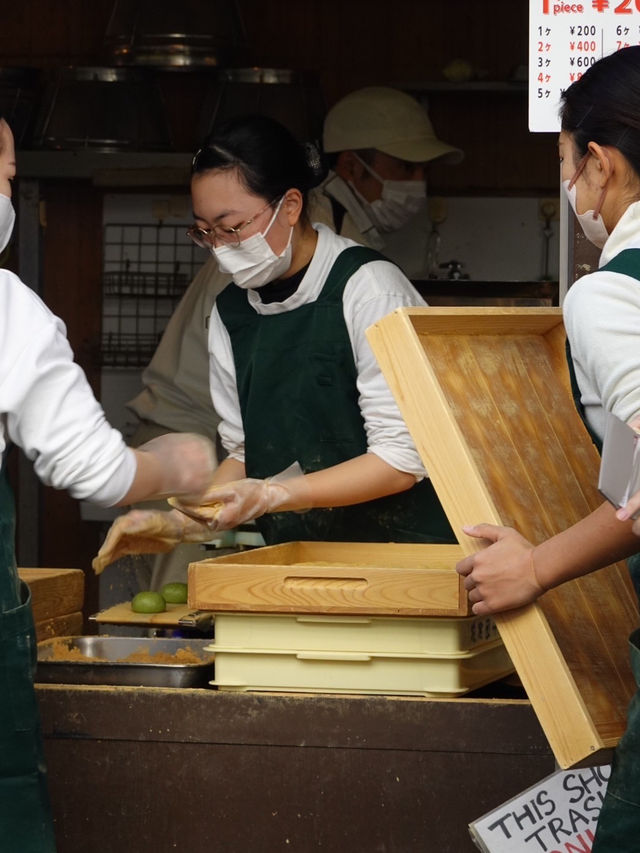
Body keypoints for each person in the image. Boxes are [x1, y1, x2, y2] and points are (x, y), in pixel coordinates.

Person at [92, 113, 456, 571]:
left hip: (405, 559)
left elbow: (402, 459)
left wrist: (274, 494)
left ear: (290, 205)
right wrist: (187, 522)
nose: (221, 246)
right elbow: (246, 452)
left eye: (233, 226)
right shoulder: (231, 312)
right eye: (205, 231)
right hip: (301, 559)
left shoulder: (369, 289)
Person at [0, 118, 217, 853]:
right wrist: (176, 466)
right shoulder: (5, 307)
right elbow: (92, 470)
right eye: (3, 174)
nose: (7, 189)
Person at [454, 46, 640, 853]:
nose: (570, 190)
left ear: (600, 163)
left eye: (566, 164)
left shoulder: (609, 294)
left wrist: (534, 566)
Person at [309, 85, 463, 278]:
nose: (419, 183)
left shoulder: (347, 225)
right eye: (406, 167)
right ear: (351, 166)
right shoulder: (319, 229)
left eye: (425, 170)